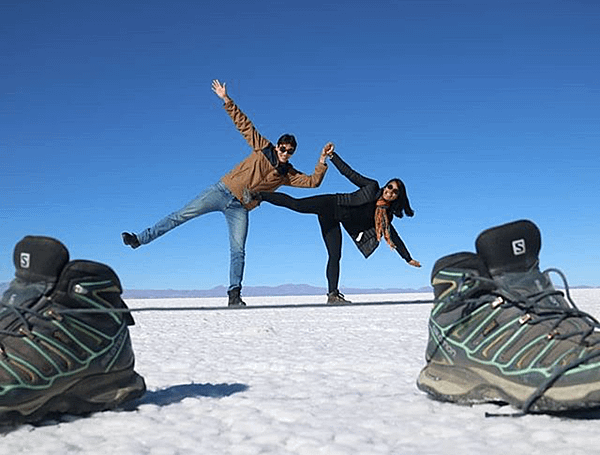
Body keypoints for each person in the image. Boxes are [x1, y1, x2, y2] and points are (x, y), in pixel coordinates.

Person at [122, 80, 329, 307]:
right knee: (180, 216)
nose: (285, 153)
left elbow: (312, 182)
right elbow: (244, 125)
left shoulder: (287, 174)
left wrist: (321, 161)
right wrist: (226, 99)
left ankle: (234, 294)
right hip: (221, 191)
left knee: (238, 250)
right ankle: (139, 239)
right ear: (278, 145)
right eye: (283, 148)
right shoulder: (263, 147)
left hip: (240, 207)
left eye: (290, 151)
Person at [249, 146, 421, 304]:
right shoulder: (372, 187)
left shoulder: (384, 217)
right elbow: (350, 174)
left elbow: (393, 236)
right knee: (297, 205)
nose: (389, 191)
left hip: (334, 220)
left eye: (394, 191)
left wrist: (407, 258)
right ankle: (259, 195)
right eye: (389, 186)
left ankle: (333, 294)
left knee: (335, 255)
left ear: (398, 196)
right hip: (331, 203)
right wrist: (332, 156)